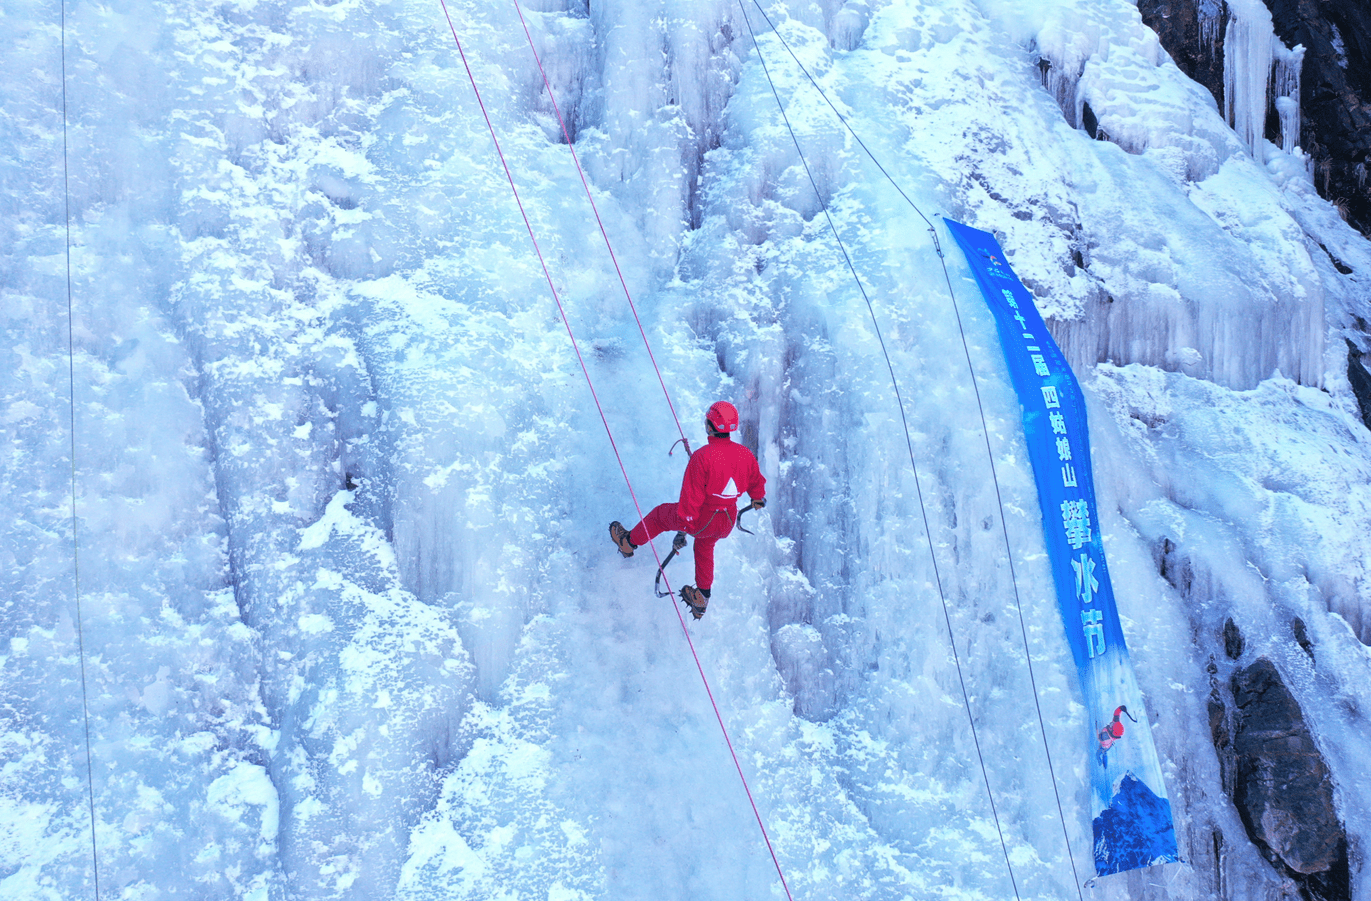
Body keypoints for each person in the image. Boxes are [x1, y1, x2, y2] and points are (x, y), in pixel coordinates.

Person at [609, 401, 766, 619]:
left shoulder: (703, 457)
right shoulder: (745, 454)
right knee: (705, 546)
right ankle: (702, 597)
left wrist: (685, 525)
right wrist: (757, 498)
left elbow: (691, 499)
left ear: (710, 426)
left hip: (702, 518)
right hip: (726, 521)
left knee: (660, 516)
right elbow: (756, 482)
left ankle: (627, 543)